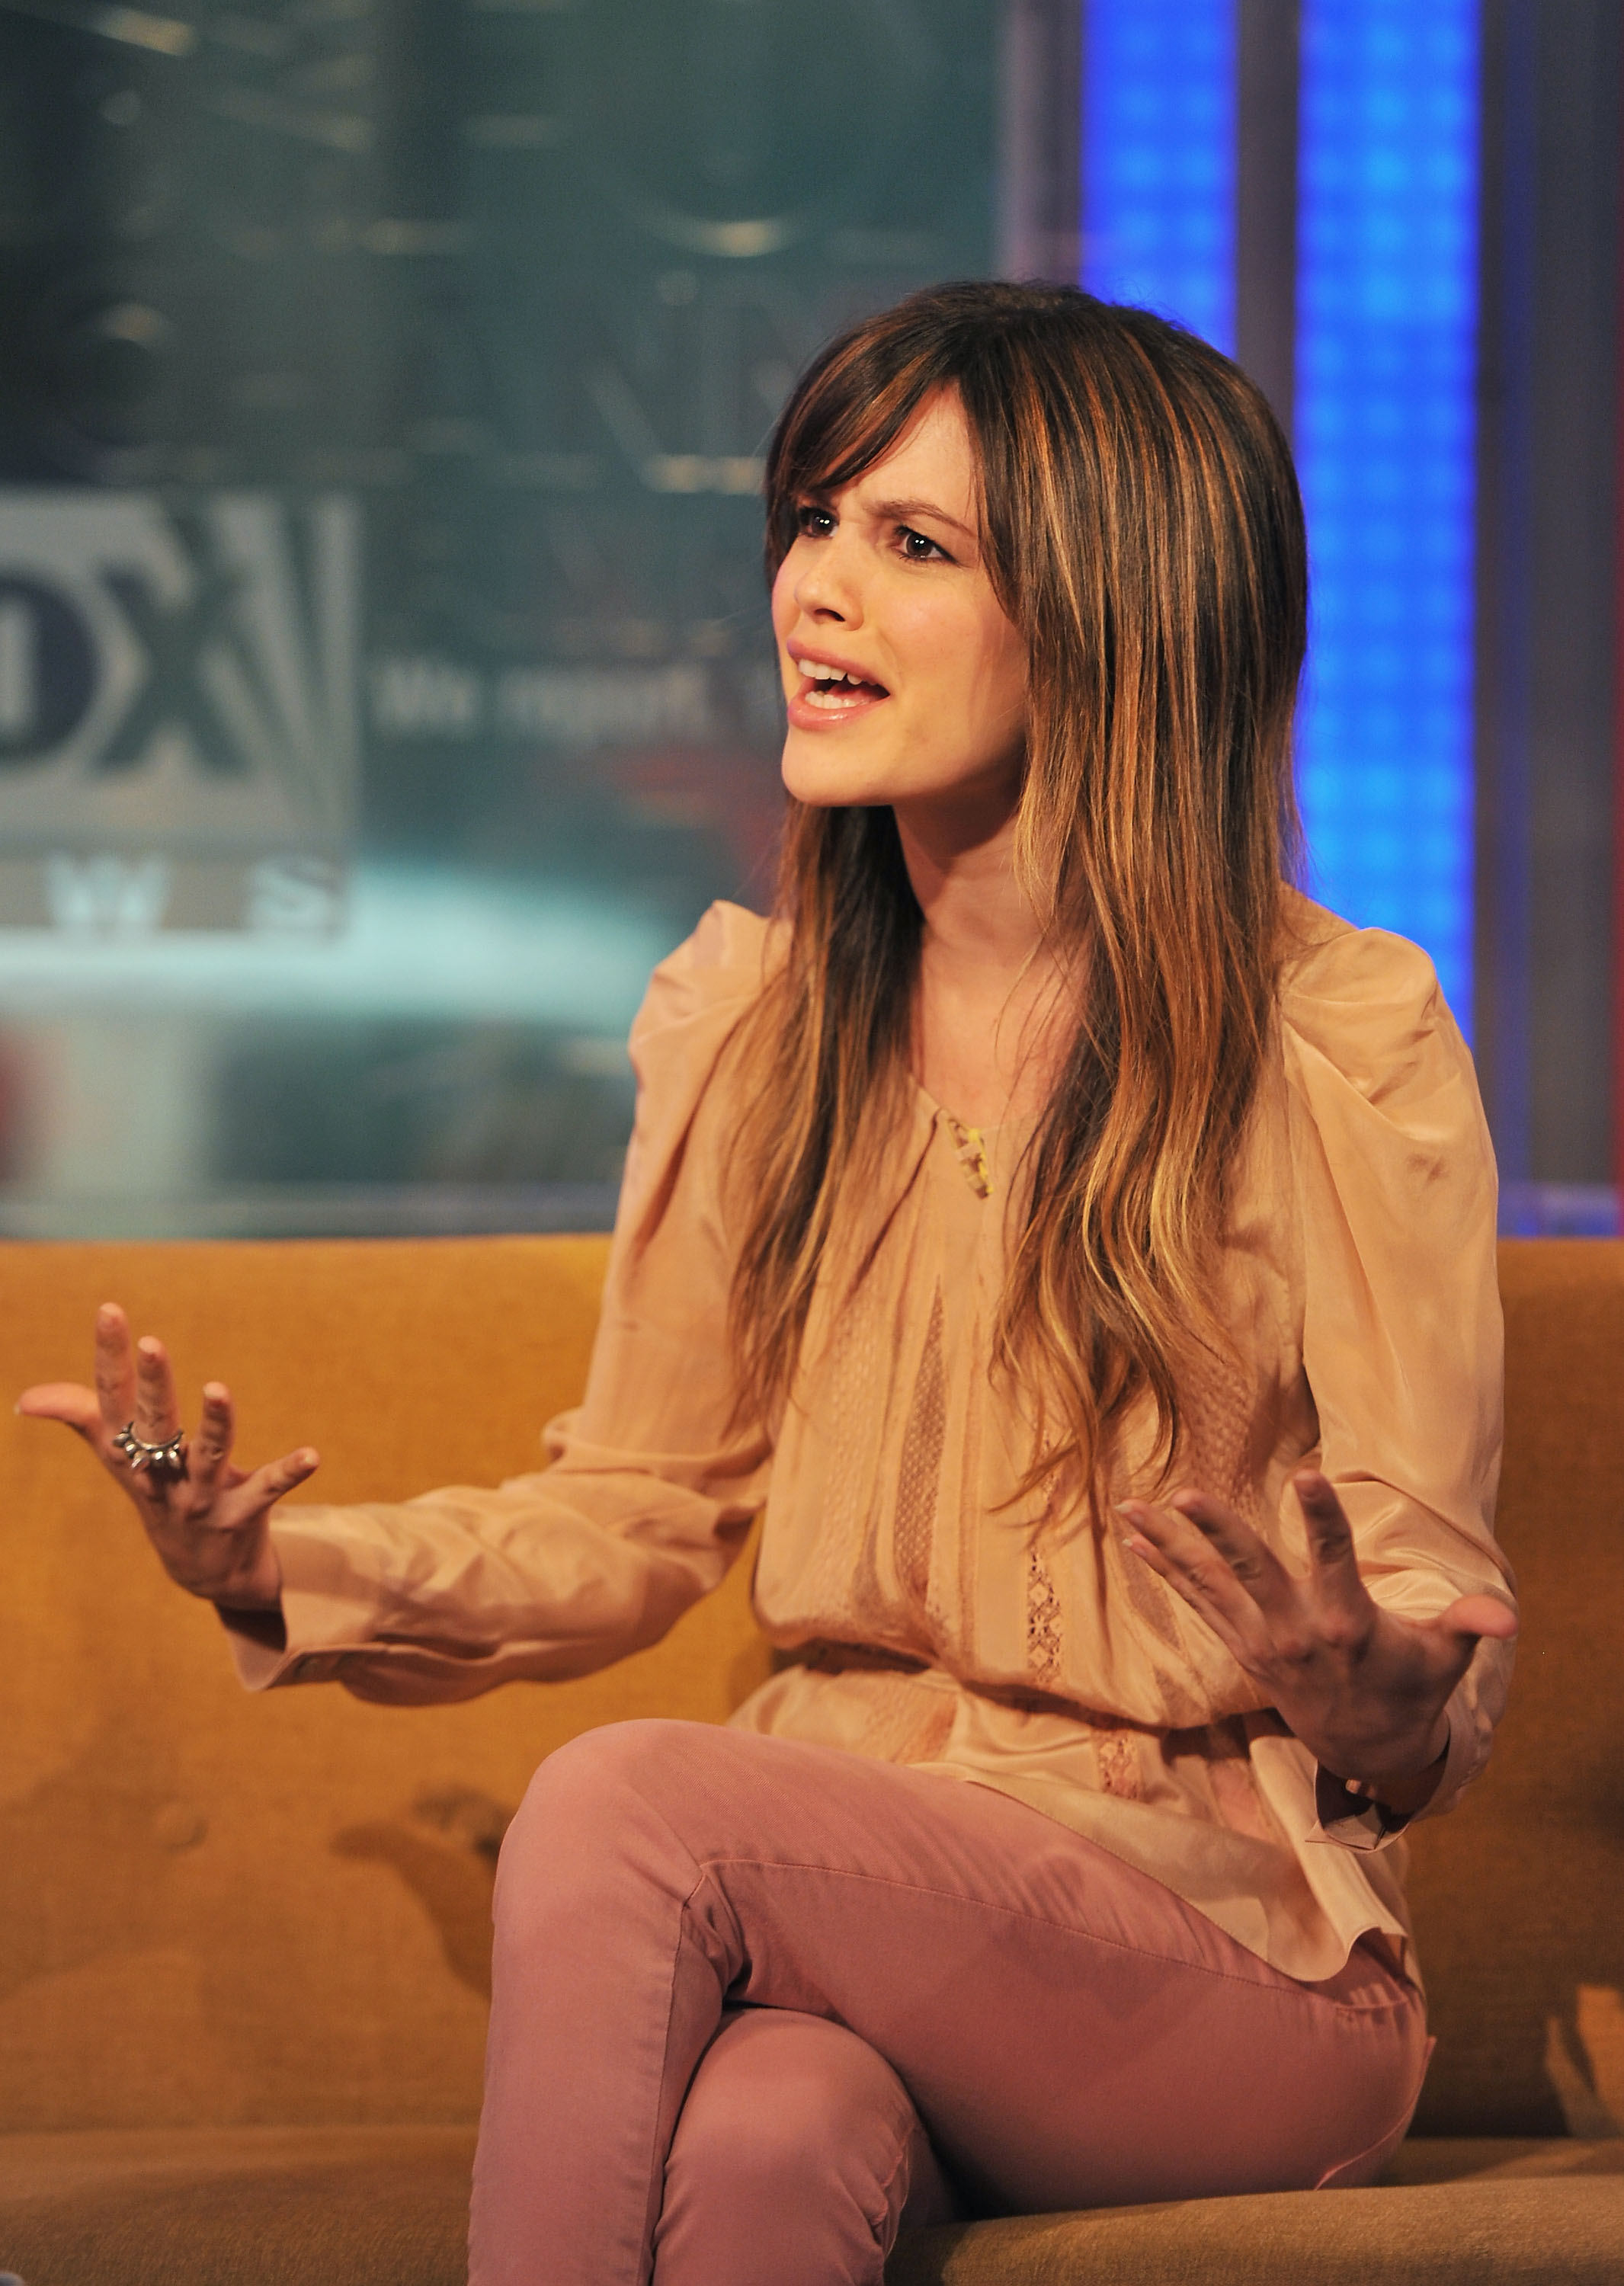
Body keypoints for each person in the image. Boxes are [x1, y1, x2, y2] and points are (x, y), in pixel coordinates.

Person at [20, 283, 1518, 2286]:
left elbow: (1425, 1608)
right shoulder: (758, 1032)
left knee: (625, 1803)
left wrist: (1383, 1702)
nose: (814, 587)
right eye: (812, 521)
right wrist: (271, 1566)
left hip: (1225, 1959)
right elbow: (637, 1510)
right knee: (766, 2139)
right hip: (863, 1905)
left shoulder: (1335, 1036)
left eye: (913, 543)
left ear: (1117, 612)